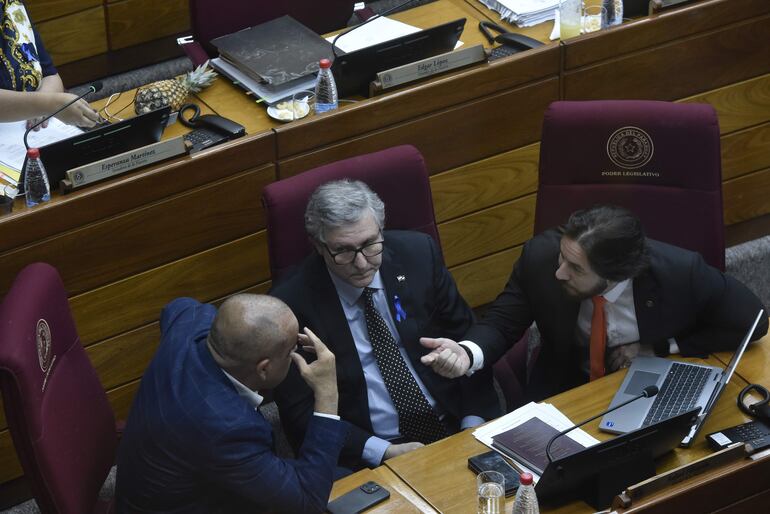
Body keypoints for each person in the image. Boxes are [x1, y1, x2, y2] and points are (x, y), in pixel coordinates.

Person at [421, 205, 768, 401]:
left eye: (574, 269)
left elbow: (752, 320)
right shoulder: (541, 260)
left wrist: (662, 346)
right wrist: (466, 353)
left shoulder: (679, 271)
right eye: (562, 258)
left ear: (617, 274)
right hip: (567, 386)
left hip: (653, 385)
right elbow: (501, 322)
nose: (559, 273)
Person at [271, 179, 500, 470]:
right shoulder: (291, 304)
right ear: (318, 245)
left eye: (370, 244)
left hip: (456, 424)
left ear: (381, 229)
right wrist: (381, 452)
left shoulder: (418, 255)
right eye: (343, 251)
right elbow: (300, 412)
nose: (363, 264)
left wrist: (473, 424)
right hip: (368, 452)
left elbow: (469, 342)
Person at [115, 295, 349, 514]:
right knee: (339, 487)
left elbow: (179, 305)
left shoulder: (188, 326)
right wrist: (327, 393)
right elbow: (308, 502)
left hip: (178, 472)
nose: (295, 354)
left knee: (344, 478)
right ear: (264, 369)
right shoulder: (227, 426)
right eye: (291, 351)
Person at [0, 0, 99, 128]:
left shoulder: (12, 3)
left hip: (35, 129)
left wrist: (43, 105)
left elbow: (50, 75)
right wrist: (48, 104)